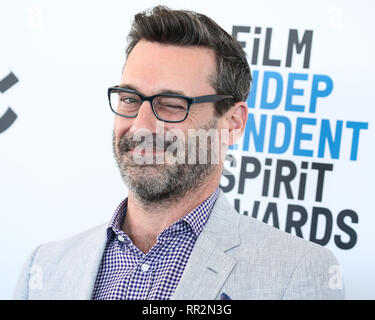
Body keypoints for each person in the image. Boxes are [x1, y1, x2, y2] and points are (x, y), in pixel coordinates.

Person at [13, 5, 344, 300]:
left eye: (171, 105)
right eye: (130, 99)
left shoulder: (297, 274)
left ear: (232, 123)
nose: (141, 126)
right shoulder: (43, 270)